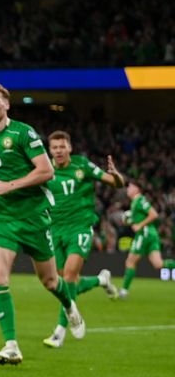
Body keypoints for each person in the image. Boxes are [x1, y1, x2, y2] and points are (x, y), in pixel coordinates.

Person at [0, 82, 85, 365]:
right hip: (2, 220)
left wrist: (11, 184)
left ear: (7, 105)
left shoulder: (23, 133)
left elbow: (47, 172)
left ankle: (69, 304)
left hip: (33, 218)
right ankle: (11, 345)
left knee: (49, 281)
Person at [42, 131, 124, 348]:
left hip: (80, 227)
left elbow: (117, 183)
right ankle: (101, 280)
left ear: (69, 147)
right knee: (63, 284)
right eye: (55, 147)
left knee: (68, 276)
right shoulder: (44, 170)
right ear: (49, 150)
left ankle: (60, 331)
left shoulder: (82, 166)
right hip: (55, 230)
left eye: (62, 146)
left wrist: (116, 175)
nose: (59, 150)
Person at [119, 182, 175, 298]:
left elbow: (154, 214)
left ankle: (123, 291)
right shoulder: (135, 203)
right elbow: (140, 218)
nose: (128, 189)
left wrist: (139, 225)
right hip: (151, 233)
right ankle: (124, 291)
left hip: (144, 233)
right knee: (158, 264)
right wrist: (130, 221)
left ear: (137, 189)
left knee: (130, 261)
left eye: (130, 187)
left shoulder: (140, 200)